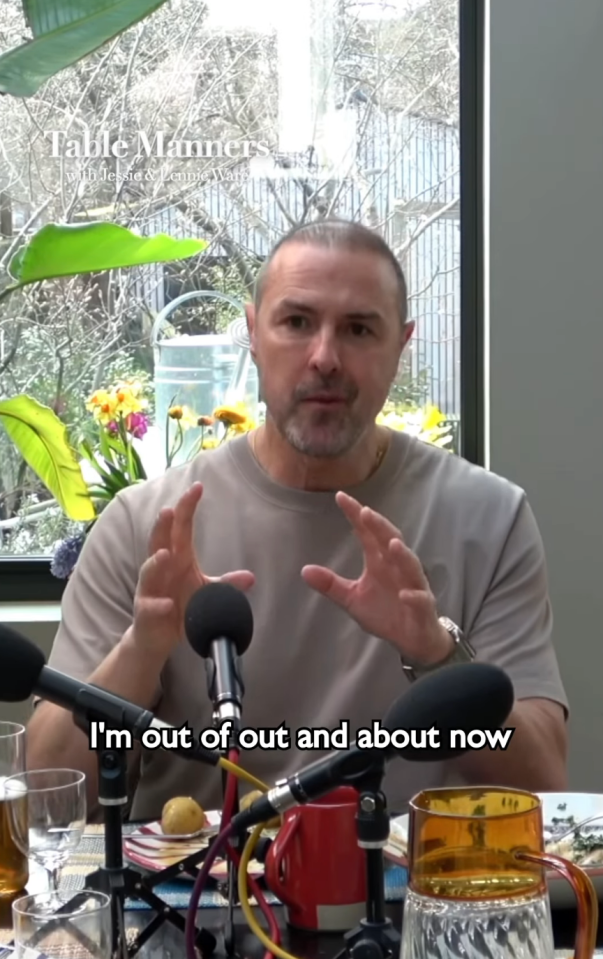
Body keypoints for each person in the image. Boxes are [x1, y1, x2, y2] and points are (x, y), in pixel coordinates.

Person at [26, 219, 569, 821]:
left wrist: (436, 653)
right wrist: (144, 647)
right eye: (297, 322)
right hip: (194, 902)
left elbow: (542, 785)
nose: (325, 358)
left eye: (359, 328)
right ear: (253, 334)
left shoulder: (489, 520)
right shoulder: (146, 526)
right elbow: (51, 800)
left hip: (407, 901)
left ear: (402, 345)